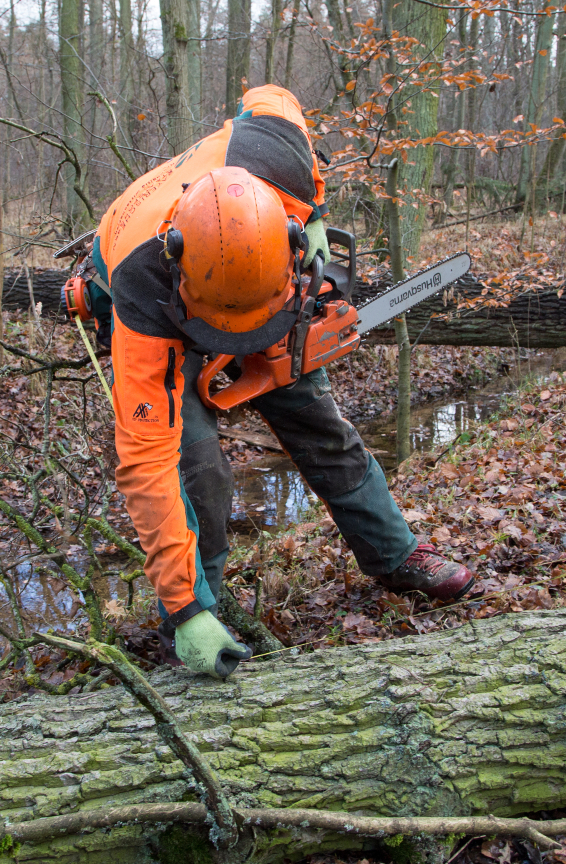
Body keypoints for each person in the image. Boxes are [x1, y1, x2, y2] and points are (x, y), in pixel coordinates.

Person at [76, 85, 474, 680]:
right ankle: (193, 618)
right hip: (154, 289)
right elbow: (145, 461)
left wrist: (315, 217)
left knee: (318, 421)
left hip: (262, 283)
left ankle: (395, 554)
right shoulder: (142, 293)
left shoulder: (279, 151)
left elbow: (272, 96)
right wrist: (185, 609)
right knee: (198, 469)